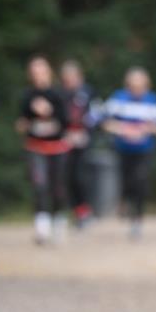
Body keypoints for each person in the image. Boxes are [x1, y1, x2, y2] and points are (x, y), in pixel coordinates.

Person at [102, 68, 156, 238]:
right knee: (127, 182)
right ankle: (125, 204)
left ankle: (137, 219)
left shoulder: (154, 101)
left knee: (141, 181)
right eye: (133, 85)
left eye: (140, 85)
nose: (137, 89)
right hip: (123, 149)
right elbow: (104, 122)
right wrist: (123, 129)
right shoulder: (118, 99)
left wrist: (148, 128)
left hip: (144, 150)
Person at [16, 56, 69, 245]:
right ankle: (42, 226)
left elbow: (66, 123)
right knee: (39, 185)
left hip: (57, 148)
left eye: (41, 70)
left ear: (49, 72)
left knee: (57, 187)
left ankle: (59, 221)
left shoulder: (58, 94)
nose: (38, 75)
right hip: (35, 147)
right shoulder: (27, 96)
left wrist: (48, 112)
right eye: (34, 71)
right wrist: (25, 125)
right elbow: (22, 122)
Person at [60, 59, 95, 228]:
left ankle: (85, 210)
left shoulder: (88, 93)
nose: (69, 82)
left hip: (83, 140)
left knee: (80, 176)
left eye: (71, 77)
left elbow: (96, 115)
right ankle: (75, 211)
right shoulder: (60, 94)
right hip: (64, 141)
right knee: (66, 178)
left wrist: (85, 132)